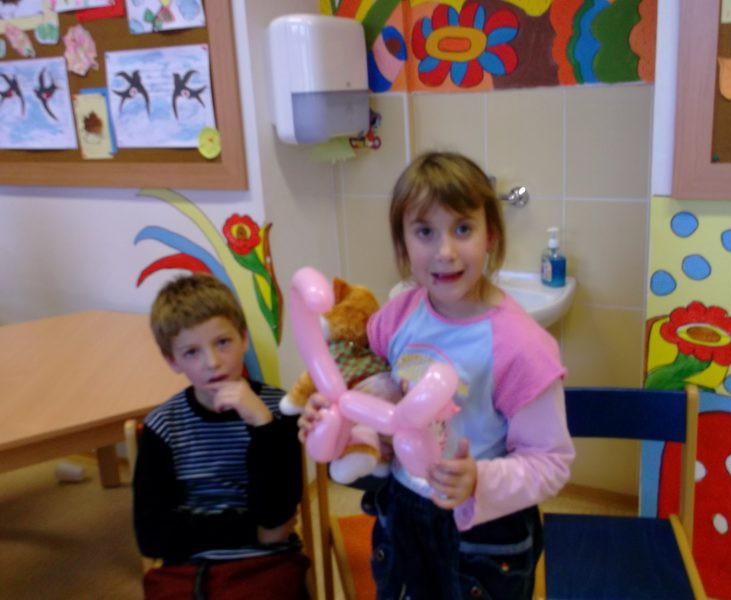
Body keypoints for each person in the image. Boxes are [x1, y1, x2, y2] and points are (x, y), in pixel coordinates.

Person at [300, 151, 575, 599]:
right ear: (403, 243)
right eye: (425, 231)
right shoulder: (396, 317)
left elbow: (551, 463)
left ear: (491, 235)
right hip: (402, 512)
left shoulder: (521, 346)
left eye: (463, 229)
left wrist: (478, 481)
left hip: (483, 530)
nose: (445, 252)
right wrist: (336, 415)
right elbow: (375, 391)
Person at [134, 274, 309, 599]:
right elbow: (152, 537)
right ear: (172, 360)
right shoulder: (162, 426)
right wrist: (254, 530)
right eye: (191, 352)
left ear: (244, 339)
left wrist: (262, 424)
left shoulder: (280, 409)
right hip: (187, 571)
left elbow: (278, 512)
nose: (212, 363)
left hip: (268, 566)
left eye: (223, 342)